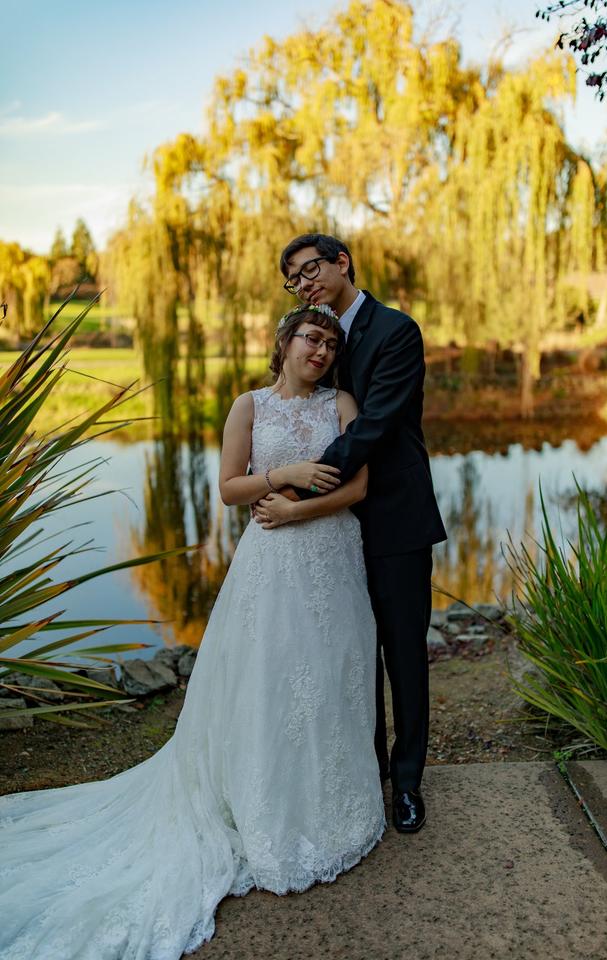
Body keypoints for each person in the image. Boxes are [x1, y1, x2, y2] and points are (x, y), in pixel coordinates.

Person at [0, 304, 385, 960]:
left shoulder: (342, 405)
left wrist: (302, 509)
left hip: (329, 554)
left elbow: (360, 489)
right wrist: (284, 476)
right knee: (268, 681)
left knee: (330, 678)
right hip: (269, 565)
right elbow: (231, 489)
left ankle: (332, 807)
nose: (320, 350)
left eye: (329, 342)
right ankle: (264, 803)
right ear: (285, 342)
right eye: (309, 338)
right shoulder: (249, 406)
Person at [263, 234, 446, 834]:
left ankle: (409, 782)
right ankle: (362, 769)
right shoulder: (316, 337)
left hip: (392, 515)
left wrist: (296, 489)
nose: (304, 282)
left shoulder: (395, 330)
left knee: (401, 653)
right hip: (331, 529)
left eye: (310, 268)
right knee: (348, 652)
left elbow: (370, 429)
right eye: (293, 278)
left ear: (341, 263)